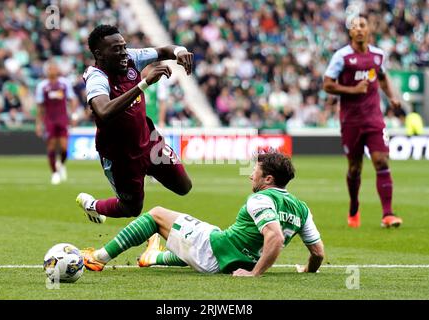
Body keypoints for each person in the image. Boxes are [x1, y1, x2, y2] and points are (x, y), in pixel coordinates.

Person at [81, 151, 325, 276]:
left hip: (215, 252)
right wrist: (307, 270)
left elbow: (275, 237)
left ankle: (99, 258)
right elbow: (318, 253)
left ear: (268, 179)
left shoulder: (260, 198)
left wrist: (255, 274)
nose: (251, 175)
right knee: (208, 233)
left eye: (256, 171)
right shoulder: (302, 209)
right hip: (230, 259)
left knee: (155, 214)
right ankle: (153, 257)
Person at [77, 25, 193, 223]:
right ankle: (93, 206)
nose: (123, 53)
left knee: (184, 187)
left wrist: (180, 51)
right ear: (99, 54)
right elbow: (104, 111)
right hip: (121, 156)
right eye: (116, 49)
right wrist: (144, 84)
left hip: (149, 143)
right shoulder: (96, 77)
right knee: (131, 209)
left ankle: (147, 168)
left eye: (123, 46)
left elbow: (165, 50)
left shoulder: (132, 58)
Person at [323, 15, 403, 228]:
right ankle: (354, 206)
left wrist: (392, 97)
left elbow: (383, 77)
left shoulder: (378, 55)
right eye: (354, 26)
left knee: (381, 160)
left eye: (362, 25)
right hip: (350, 121)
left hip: (374, 119)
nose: (359, 29)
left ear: (369, 29)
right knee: (355, 168)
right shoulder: (342, 57)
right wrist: (352, 90)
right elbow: (327, 84)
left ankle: (388, 214)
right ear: (350, 32)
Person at [35, 61, 78, 185]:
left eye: (54, 68)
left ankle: (61, 164)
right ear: (47, 71)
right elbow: (40, 107)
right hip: (49, 120)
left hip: (62, 118)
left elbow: (72, 99)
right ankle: (54, 173)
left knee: (64, 147)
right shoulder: (42, 86)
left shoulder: (64, 83)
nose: (52, 70)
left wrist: (74, 115)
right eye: (50, 68)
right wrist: (38, 123)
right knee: (52, 146)